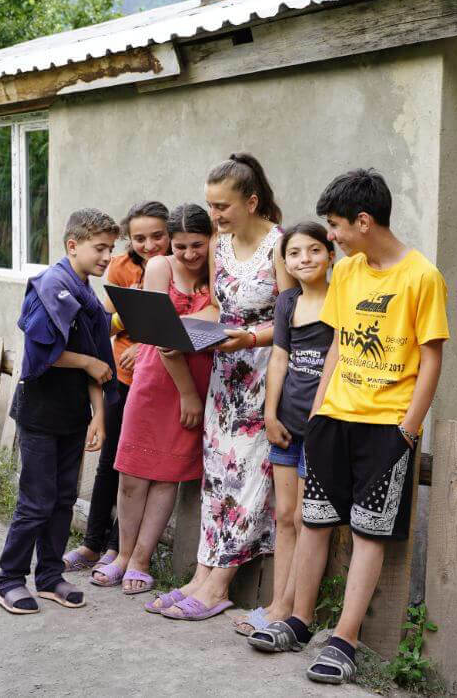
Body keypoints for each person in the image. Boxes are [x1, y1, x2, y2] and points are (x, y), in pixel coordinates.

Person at [248, 169, 449, 686]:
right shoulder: (350, 272)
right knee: (315, 521)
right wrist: (317, 412)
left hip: (385, 425)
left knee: (367, 532)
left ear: (364, 221)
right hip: (333, 418)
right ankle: (297, 618)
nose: (330, 236)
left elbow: (431, 360)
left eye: (335, 227)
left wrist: (407, 429)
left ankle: (345, 639)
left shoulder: (422, 277)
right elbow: (338, 344)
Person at [152, 152, 293, 621]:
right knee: (218, 477)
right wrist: (185, 330)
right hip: (224, 376)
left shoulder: (281, 245)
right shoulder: (218, 246)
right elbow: (219, 307)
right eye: (211, 206)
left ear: (251, 202)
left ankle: (219, 586)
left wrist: (249, 337)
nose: (214, 216)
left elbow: (297, 321)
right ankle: (199, 575)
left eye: (222, 207)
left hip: (263, 375)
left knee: (250, 478)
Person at [0, 208, 121, 615]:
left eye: (111, 249)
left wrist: (99, 415)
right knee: (36, 501)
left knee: (64, 498)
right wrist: (86, 363)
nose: (107, 257)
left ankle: (49, 576)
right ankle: (10, 580)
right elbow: (43, 353)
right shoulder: (51, 286)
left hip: (74, 412)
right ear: (73, 245)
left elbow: (99, 361)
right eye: (100, 248)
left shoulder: (86, 293)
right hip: (40, 410)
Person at [92, 204, 214, 596]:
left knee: (165, 478)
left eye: (198, 245)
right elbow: (162, 336)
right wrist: (189, 395)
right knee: (131, 473)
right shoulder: (161, 267)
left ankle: (141, 561)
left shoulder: (219, 273)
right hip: (159, 381)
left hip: (195, 381)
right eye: (181, 246)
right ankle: (122, 555)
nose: (190, 254)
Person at [233, 222, 335, 636]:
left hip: (321, 428)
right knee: (287, 515)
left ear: (331, 254)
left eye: (314, 250)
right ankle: (278, 604)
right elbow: (278, 360)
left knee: (310, 518)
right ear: (285, 261)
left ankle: (292, 612)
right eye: (294, 253)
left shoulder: (341, 300)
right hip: (286, 426)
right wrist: (270, 415)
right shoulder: (288, 301)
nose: (304, 259)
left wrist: (322, 415)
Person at [63, 201, 171, 573]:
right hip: (121, 376)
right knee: (111, 460)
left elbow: (175, 319)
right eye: (139, 238)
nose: (149, 244)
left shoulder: (176, 265)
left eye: (158, 235)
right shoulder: (122, 265)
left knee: (139, 467)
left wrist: (144, 339)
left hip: (159, 377)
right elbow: (106, 317)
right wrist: (126, 321)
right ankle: (93, 543)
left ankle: (116, 547)